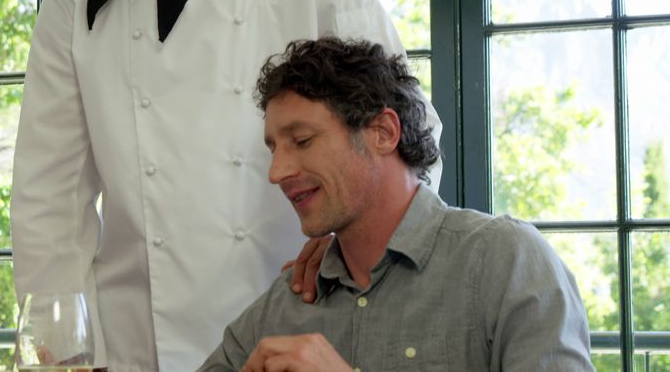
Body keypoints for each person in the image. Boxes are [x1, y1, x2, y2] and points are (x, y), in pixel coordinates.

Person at [10, 0, 444, 369]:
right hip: (138, 342)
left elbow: (404, 125)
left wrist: (358, 246)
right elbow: (48, 191)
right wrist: (60, 347)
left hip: (298, 314)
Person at [197, 37, 594, 371]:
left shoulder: (506, 261)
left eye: (302, 141)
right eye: (274, 149)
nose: (277, 172)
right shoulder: (285, 304)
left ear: (383, 132)